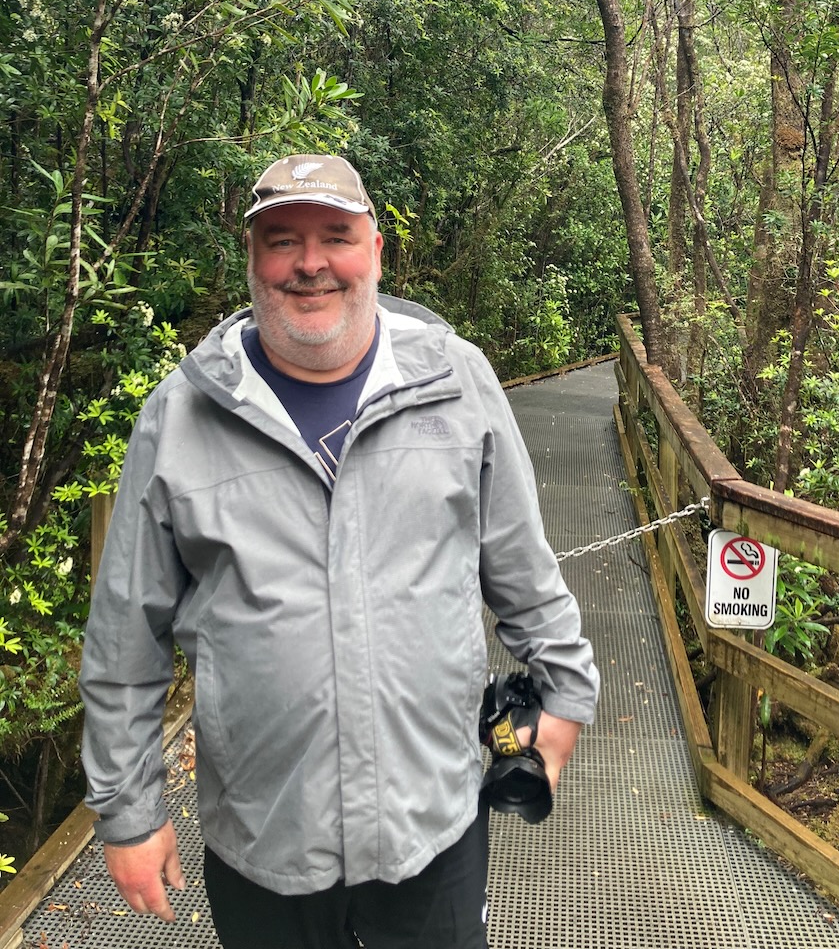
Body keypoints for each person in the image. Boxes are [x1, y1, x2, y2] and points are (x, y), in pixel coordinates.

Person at [79, 153, 600, 949]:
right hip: (263, 837)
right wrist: (127, 813)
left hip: (432, 823)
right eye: (282, 240)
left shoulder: (455, 381)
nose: (310, 262)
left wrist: (565, 697)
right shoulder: (181, 414)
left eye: (336, 236)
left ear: (376, 252)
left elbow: (523, 568)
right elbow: (125, 637)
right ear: (253, 258)